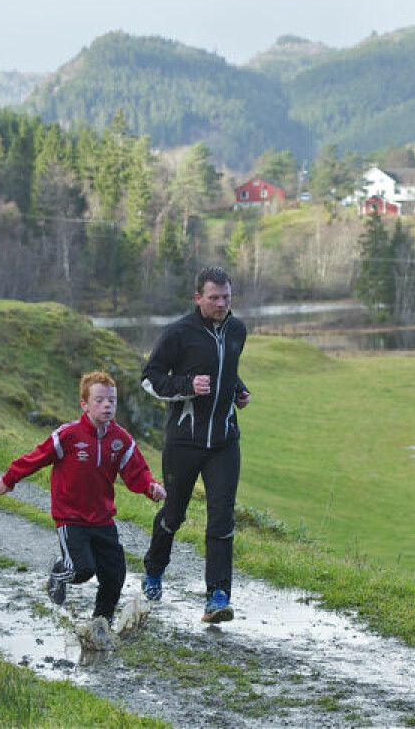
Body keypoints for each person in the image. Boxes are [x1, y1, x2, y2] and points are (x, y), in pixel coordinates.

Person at [0, 371, 165, 631]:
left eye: (112, 401)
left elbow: (136, 473)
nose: (107, 405)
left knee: (115, 575)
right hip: (70, 518)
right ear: (84, 404)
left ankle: (101, 624)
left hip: (102, 519)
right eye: (99, 400)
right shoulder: (68, 435)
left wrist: (152, 488)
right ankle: (59, 571)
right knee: (82, 571)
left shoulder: (121, 440)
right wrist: (10, 479)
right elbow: (37, 457)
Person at [139, 266, 251, 624]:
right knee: (174, 514)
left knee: (221, 517)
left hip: (223, 441)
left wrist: (238, 390)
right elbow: (150, 379)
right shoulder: (179, 333)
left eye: (226, 297)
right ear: (198, 297)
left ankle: (218, 596)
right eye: (214, 297)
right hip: (184, 442)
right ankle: (154, 569)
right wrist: (187, 385)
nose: (222, 304)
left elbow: (225, 368)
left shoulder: (237, 330)